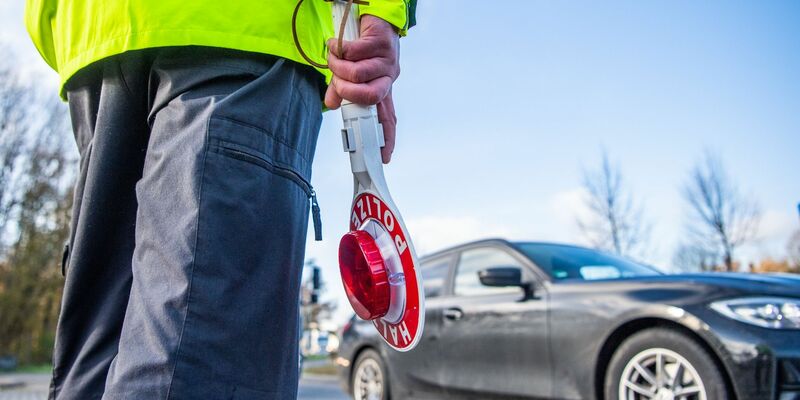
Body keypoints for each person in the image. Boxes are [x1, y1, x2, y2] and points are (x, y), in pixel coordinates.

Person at [24, 0, 416, 398]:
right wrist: (383, 12)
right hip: (249, 31)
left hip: (92, 35)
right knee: (203, 370)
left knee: (93, 366)